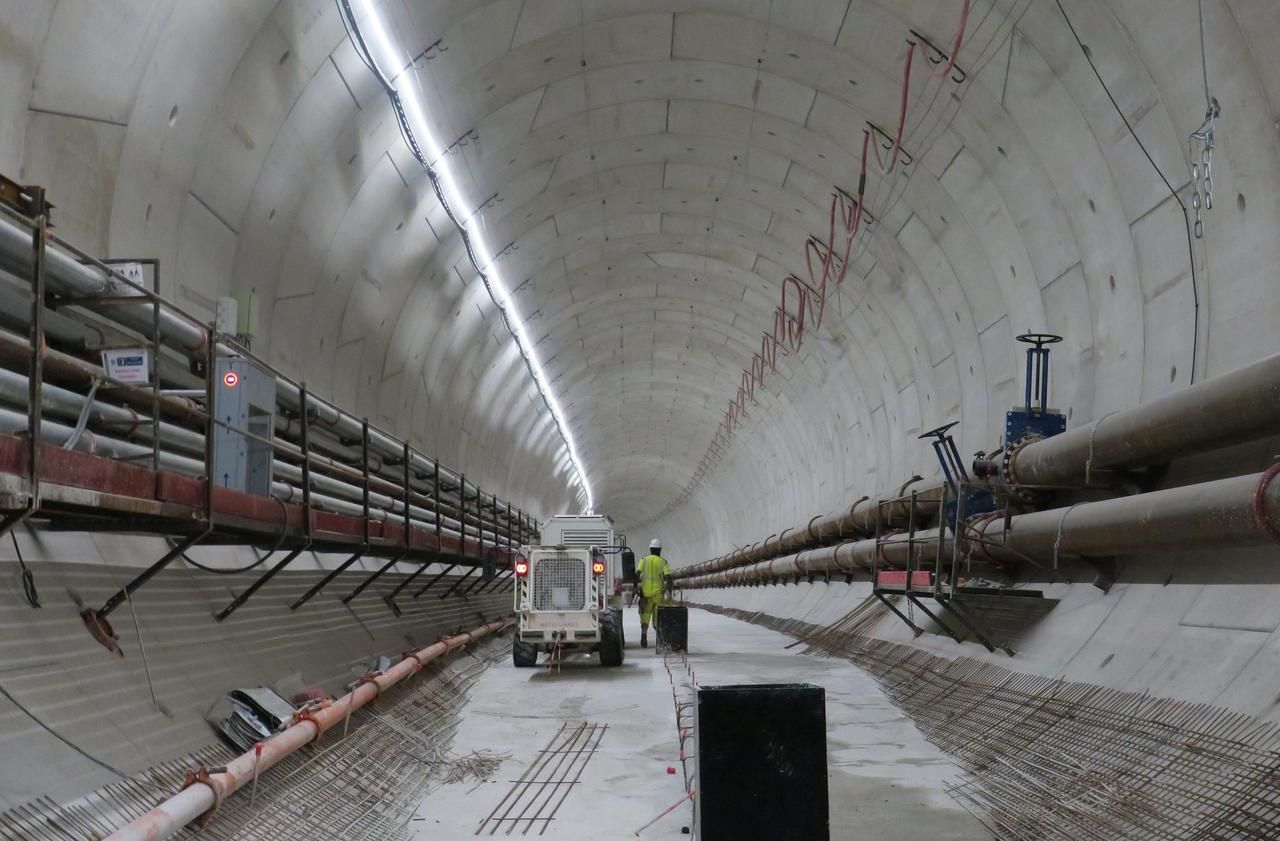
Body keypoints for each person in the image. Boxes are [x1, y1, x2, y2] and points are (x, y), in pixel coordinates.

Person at [636, 538, 670, 649]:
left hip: (645, 595)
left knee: (645, 616)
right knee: (658, 618)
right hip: (658, 595)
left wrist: (635, 587)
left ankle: (644, 635)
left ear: (650, 549)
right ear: (660, 550)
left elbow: (637, 574)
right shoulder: (663, 562)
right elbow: (667, 577)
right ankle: (660, 640)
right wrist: (670, 589)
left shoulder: (643, 560)